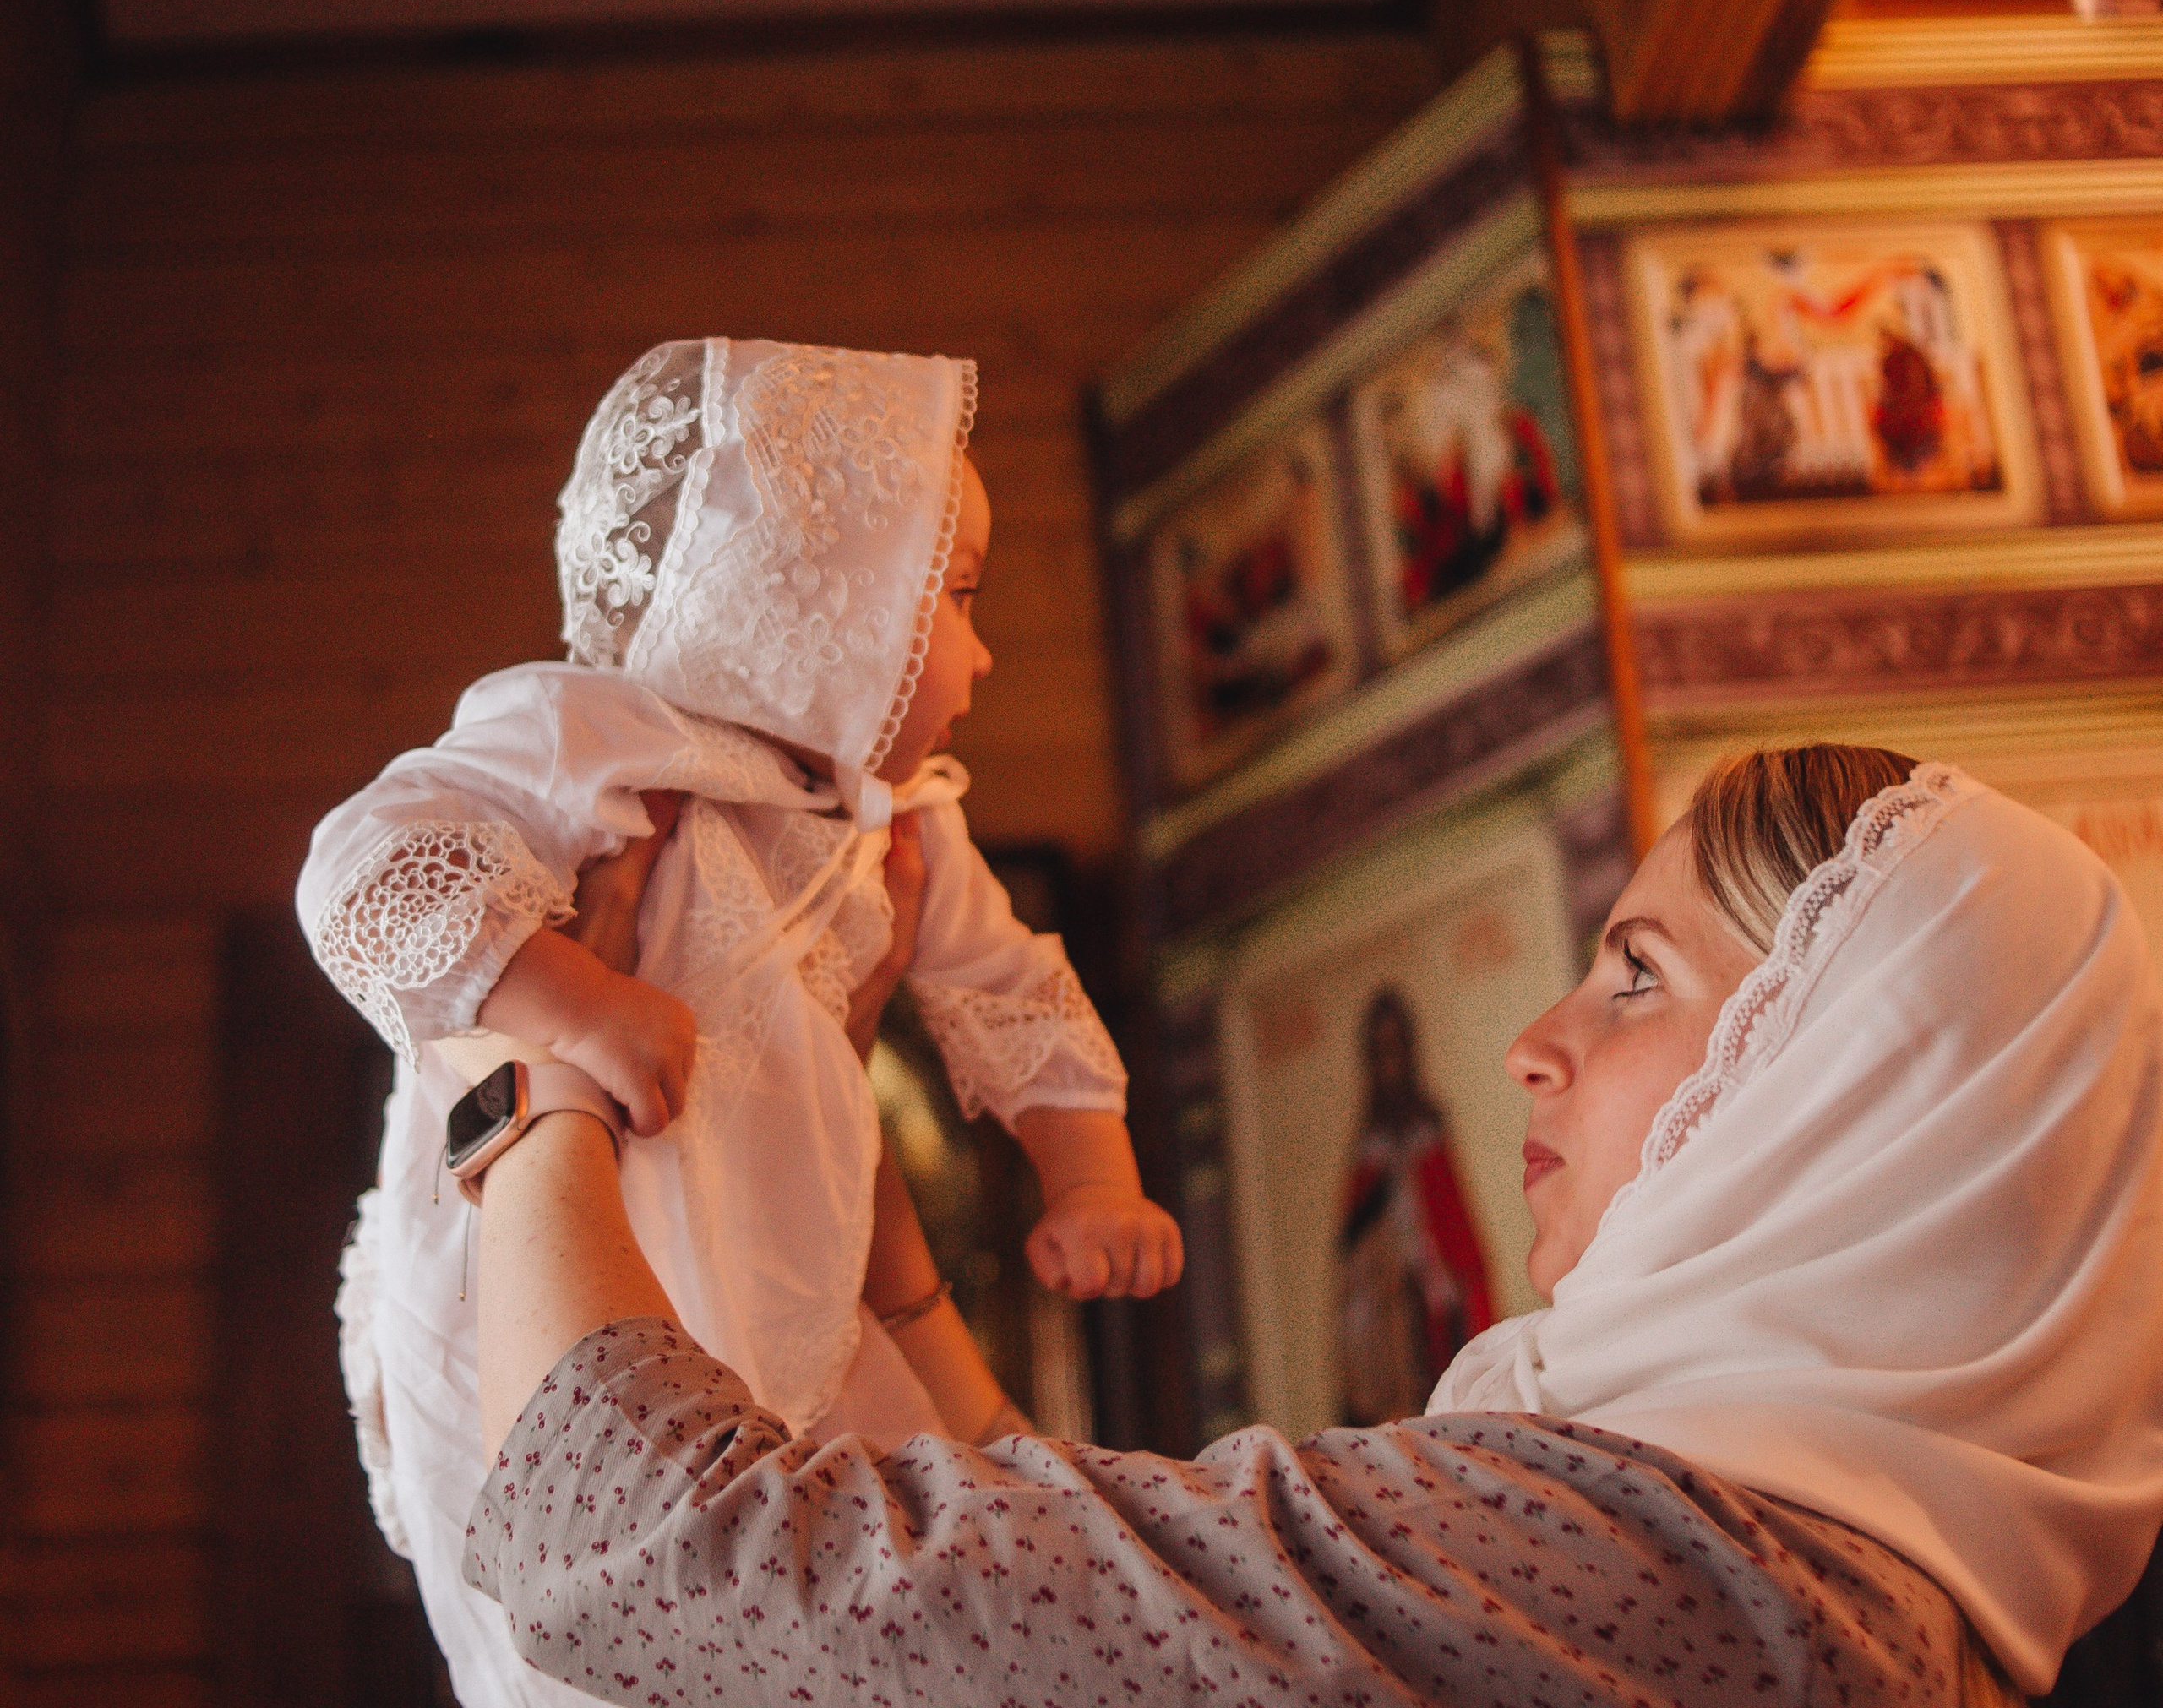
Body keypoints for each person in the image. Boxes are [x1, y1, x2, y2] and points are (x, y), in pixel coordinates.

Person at [438, 744, 2163, 1704]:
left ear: (1865, 1092)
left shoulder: (1650, 1566)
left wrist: (541, 1069)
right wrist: (887, 1250)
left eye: (1634, 971)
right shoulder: (1867, 1595)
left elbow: (660, 1553)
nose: (1529, 1042)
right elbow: (1134, 1617)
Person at [296, 338, 1182, 1708]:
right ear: (816, 603)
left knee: (854, 1564)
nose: (986, 649)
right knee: (553, 1565)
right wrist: (582, 1005)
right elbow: (369, 876)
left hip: (791, 1274)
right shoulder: (591, 740)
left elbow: (1015, 989)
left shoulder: (905, 823)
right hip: (536, 1259)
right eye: (956, 598)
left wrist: (1090, 1175)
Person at [1335, 986, 1492, 1422]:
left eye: (1396, 1046)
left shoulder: (1429, 1124)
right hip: (1387, 1307)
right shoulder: (1368, 1141)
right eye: (1380, 1050)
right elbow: (1352, 1248)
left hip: (1436, 1303)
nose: (1390, 1061)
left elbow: (1458, 1229)